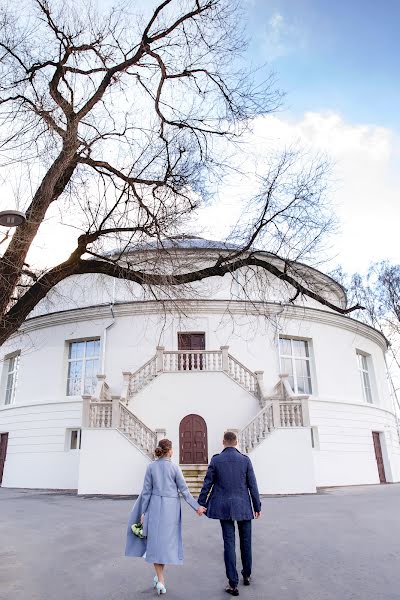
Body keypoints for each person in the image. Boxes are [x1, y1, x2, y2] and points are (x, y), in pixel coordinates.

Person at [125, 438, 206, 595]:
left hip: (154, 507)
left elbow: (146, 493)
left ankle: (160, 578)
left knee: (156, 544)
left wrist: (143, 513)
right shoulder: (175, 468)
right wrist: (197, 508)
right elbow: (185, 491)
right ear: (170, 451)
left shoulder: (151, 467)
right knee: (165, 544)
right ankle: (160, 579)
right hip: (171, 510)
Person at [198, 431, 261, 596]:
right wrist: (257, 506)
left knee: (229, 544)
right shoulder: (245, 460)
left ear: (223, 442)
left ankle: (233, 584)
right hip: (244, 506)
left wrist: (201, 503)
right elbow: (252, 485)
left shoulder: (216, 460)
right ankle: (246, 575)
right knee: (246, 542)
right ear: (236, 442)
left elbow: (208, 483)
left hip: (224, 507)